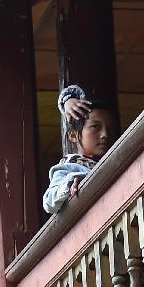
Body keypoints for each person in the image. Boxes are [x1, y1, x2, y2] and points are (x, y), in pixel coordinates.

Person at [43, 85, 117, 214]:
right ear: (73, 135)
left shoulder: (116, 160)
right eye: (95, 127)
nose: (105, 134)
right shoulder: (70, 166)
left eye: (110, 129)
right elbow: (49, 202)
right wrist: (75, 180)